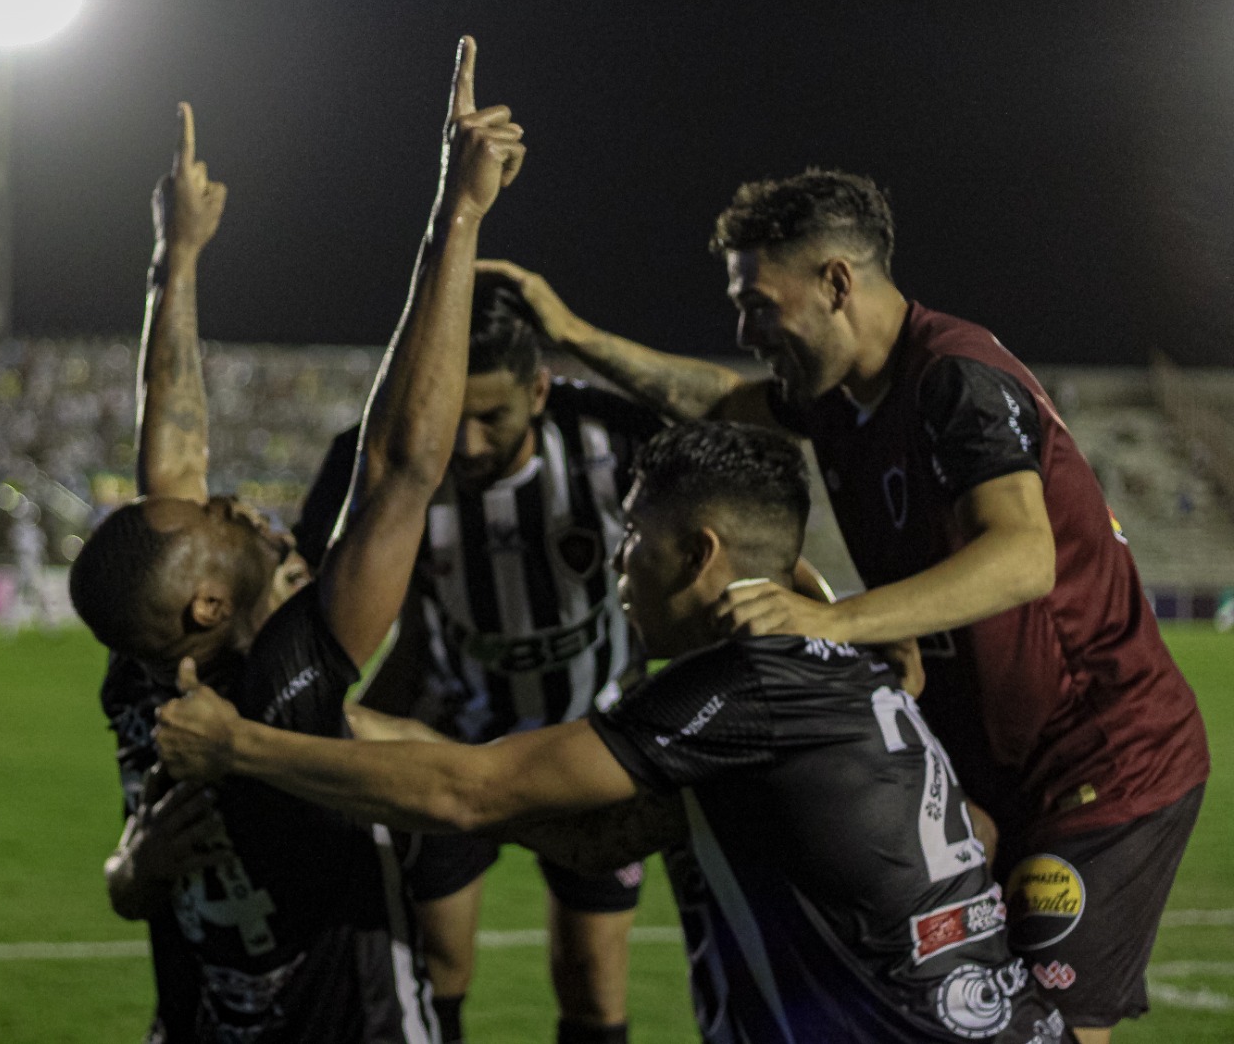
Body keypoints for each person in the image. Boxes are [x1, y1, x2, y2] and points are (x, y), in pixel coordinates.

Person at [474, 168, 1209, 1043]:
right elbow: (722, 402)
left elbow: (1022, 556)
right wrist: (573, 336)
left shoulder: (954, 381)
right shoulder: (841, 403)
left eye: (757, 301)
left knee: (1050, 1028)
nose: (744, 327)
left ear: (835, 283)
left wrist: (839, 620)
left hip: (1100, 763)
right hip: (994, 765)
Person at [155, 420, 1076, 1044]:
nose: (620, 572)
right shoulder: (831, 670)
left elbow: (471, 790)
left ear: (700, 553)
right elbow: (596, 840)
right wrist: (352, 728)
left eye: (634, 540)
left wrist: (243, 746)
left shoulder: (743, 684)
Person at [68, 37, 526, 1043]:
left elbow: (170, 461)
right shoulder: (283, 684)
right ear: (206, 607)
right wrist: (459, 215)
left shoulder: (138, 675)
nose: (224, 499)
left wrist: (174, 260)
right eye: (216, 520)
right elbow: (402, 464)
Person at [290, 281, 665, 1044]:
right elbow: (298, 596)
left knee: (594, 980)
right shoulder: (375, 456)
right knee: (439, 963)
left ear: (538, 388)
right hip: (453, 742)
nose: (465, 444)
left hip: (592, 746)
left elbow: (737, 494)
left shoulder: (614, 439)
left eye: (491, 416)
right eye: (449, 416)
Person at [1, 502, 58, 637]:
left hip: (32, 566)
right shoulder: (20, 531)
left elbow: (39, 552)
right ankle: (9, 626)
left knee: (37, 596)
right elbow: (21, 551)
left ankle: (47, 625)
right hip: (25, 567)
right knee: (21, 596)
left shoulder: (34, 531)